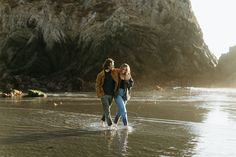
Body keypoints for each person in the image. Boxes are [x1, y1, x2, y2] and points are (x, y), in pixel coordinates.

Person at [96, 58, 119, 127]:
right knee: (107, 110)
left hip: (112, 94)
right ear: (108, 65)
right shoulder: (101, 74)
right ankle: (110, 125)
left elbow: (121, 70)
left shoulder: (114, 72)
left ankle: (102, 121)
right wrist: (100, 94)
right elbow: (97, 85)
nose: (113, 66)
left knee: (107, 109)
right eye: (112, 64)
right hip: (104, 95)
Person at [114, 63, 134, 128]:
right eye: (123, 69)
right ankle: (126, 125)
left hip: (125, 95)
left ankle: (114, 123)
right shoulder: (117, 74)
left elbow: (131, 85)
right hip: (117, 94)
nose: (124, 70)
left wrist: (125, 80)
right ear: (121, 68)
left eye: (125, 70)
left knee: (120, 111)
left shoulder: (128, 76)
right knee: (123, 109)